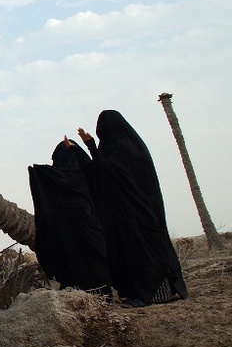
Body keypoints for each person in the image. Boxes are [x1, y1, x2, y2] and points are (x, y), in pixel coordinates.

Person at [74, 110, 188, 306]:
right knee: (130, 252)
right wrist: (79, 149)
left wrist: (91, 146)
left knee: (145, 252)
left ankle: (156, 294)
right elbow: (98, 174)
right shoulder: (109, 148)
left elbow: (111, 174)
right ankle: (138, 292)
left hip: (141, 213)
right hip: (125, 215)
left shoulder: (127, 148)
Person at [28, 139, 112, 295]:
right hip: (93, 230)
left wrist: (37, 173)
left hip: (76, 234)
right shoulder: (87, 173)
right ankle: (101, 295)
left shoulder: (61, 178)